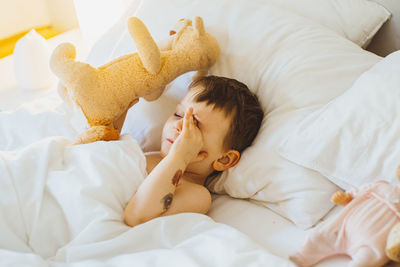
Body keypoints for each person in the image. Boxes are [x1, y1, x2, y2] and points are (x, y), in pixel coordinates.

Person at [116, 75, 263, 227]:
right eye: (178, 114)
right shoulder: (148, 152)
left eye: (194, 126)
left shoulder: (197, 195)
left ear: (224, 159)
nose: (179, 125)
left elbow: (137, 216)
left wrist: (179, 157)